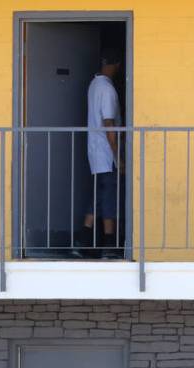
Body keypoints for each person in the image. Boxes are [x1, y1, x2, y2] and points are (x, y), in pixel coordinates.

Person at [76, 47, 123, 259]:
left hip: (95, 151)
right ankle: (109, 245)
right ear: (117, 65)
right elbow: (109, 123)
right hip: (106, 152)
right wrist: (118, 156)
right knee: (108, 197)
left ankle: (82, 241)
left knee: (97, 195)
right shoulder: (108, 90)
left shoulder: (94, 85)